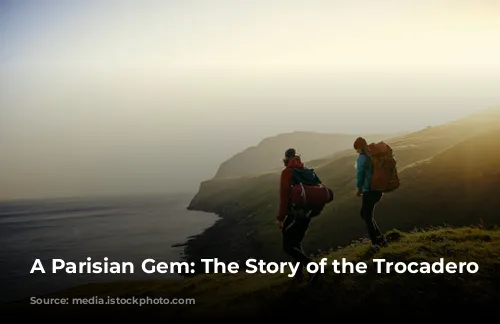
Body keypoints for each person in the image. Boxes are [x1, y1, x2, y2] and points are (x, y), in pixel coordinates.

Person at [276, 148, 323, 283]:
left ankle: (313, 267)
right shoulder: (305, 170)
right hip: (307, 212)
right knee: (296, 242)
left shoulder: (287, 173)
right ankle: (298, 274)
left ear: (286, 159)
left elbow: (284, 196)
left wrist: (280, 218)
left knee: (288, 246)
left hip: (294, 213)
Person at [353, 137, 388, 250]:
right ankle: (380, 238)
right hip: (378, 190)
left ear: (359, 148)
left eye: (356, 149)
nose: (356, 151)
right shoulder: (372, 156)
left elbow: (360, 174)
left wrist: (359, 188)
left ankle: (376, 243)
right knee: (365, 214)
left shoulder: (362, 158)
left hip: (369, 191)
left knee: (366, 216)